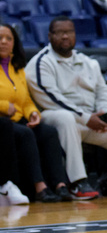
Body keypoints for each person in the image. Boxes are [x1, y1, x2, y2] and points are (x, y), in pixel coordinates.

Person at [27, 17, 107, 199]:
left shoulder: (89, 62)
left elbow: (104, 93)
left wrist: (106, 115)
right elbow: (51, 99)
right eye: (60, 32)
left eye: (70, 32)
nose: (65, 36)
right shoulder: (40, 62)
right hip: (55, 120)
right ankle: (76, 183)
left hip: (91, 120)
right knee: (64, 117)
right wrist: (86, 118)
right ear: (50, 36)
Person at [0, 23, 72, 203]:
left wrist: (33, 112)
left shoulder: (17, 68)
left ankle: (60, 184)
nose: (4, 42)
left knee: (48, 132)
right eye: (0, 38)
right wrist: (2, 105)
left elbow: (25, 100)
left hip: (17, 120)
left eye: (9, 38)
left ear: (14, 43)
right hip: (2, 123)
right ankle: (39, 187)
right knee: (25, 134)